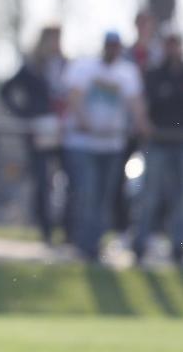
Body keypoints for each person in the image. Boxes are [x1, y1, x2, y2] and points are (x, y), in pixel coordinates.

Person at [63, 31, 150, 261]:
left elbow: (135, 102)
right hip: (85, 144)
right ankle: (83, 242)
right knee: (87, 192)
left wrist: (141, 124)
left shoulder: (127, 72)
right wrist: (85, 122)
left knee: (105, 196)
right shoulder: (85, 67)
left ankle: (96, 241)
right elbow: (75, 96)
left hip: (112, 145)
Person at [0, 26, 68, 245]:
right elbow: (6, 90)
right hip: (38, 129)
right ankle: (46, 229)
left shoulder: (65, 65)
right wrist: (24, 114)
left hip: (62, 128)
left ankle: (67, 228)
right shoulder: (31, 67)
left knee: (68, 178)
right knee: (42, 179)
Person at [131, 30, 183, 265]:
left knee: (179, 198)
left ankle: (177, 245)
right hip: (158, 143)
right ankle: (140, 243)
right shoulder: (153, 74)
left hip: (180, 144)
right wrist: (145, 125)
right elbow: (141, 104)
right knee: (150, 195)